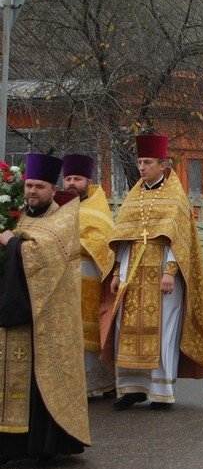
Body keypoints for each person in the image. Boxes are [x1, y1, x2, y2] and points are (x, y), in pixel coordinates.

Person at [107, 134, 203, 410]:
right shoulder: (133, 196)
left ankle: (161, 391)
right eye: (139, 162)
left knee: (164, 330)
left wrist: (170, 272)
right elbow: (123, 237)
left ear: (163, 165)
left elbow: (180, 240)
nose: (141, 167)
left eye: (147, 162)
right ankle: (133, 388)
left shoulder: (176, 198)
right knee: (125, 329)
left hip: (163, 273)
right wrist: (116, 273)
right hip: (132, 273)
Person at [0, 153, 90, 463]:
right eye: (28, 186)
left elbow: (43, 254)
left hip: (48, 318)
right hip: (17, 310)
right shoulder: (19, 215)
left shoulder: (64, 216)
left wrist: (11, 243)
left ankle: (43, 446)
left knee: (39, 381)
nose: (32, 192)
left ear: (53, 189)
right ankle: (10, 445)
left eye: (38, 186)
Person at [62, 154, 116, 398]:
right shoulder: (58, 205)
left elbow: (102, 239)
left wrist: (71, 243)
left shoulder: (97, 205)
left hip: (90, 277)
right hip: (62, 279)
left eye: (77, 179)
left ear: (88, 181)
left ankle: (97, 385)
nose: (72, 183)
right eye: (68, 178)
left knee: (90, 333)